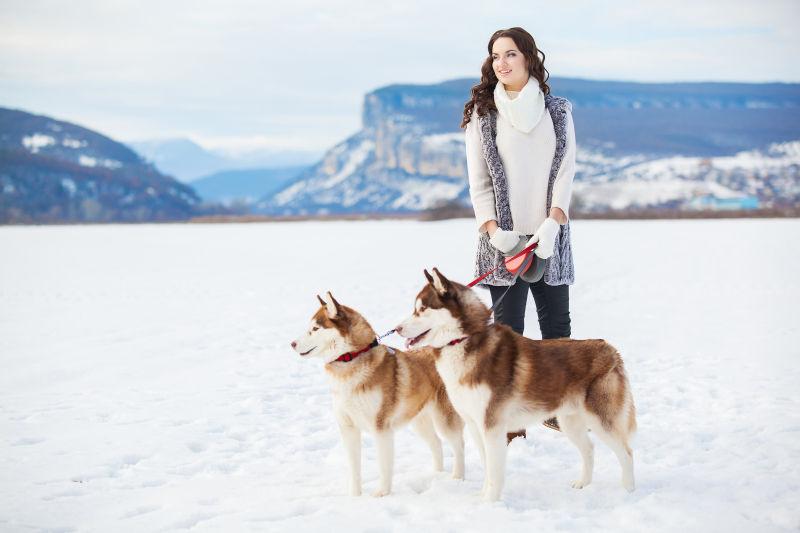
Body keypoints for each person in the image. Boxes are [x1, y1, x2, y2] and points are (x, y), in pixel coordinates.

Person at [461, 27, 577, 438]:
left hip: (549, 236)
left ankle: (555, 410)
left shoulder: (558, 110)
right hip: (502, 241)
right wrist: (494, 231)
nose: (502, 63)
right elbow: (479, 182)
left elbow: (565, 171)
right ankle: (510, 420)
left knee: (558, 331)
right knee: (507, 335)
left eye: (510, 54)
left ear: (529, 57)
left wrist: (554, 222)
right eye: (496, 56)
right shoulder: (483, 114)